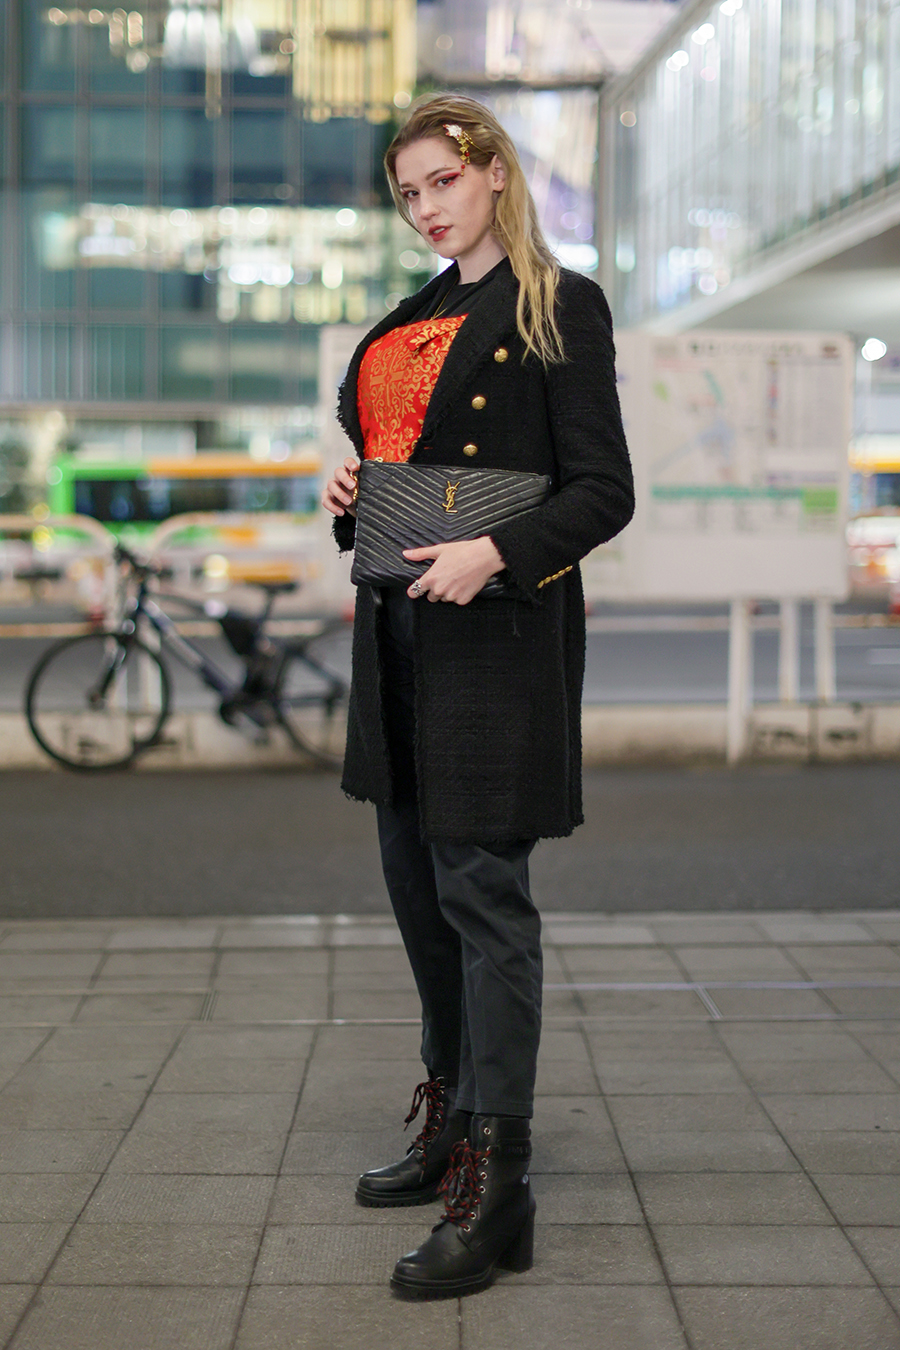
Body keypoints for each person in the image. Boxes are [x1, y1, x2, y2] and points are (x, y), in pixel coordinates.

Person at [321, 93, 633, 1300]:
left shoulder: (559, 307)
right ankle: (453, 1119)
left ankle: (500, 1185)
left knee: (485, 900)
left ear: (494, 169)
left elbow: (601, 490)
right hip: (398, 639)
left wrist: (495, 552)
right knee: (419, 892)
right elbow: (408, 466)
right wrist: (356, 491)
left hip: (495, 644)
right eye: (408, 193)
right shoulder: (409, 320)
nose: (425, 208)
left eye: (441, 181)